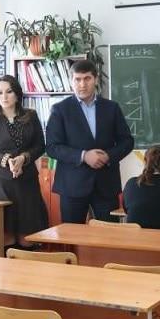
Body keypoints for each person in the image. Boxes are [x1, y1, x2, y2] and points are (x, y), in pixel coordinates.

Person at [45, 59, 134, 223]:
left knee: (109, 234)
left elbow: (127, 142)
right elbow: (52, 147)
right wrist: (84, 156)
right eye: (77, 79)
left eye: (87, 78)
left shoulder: (112, 108)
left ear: (96, 79)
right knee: (72, 235)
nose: (82, 84)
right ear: (71, 81)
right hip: (72, 185)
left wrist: (108, 156)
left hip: (106, 185)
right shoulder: (60, 110)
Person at [0, 75, 48, 249]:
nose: (4, 96)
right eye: (0, 93)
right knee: (6, 237)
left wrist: (23, 158)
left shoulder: (31, 116)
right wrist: (7, 160)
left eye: (9, 92)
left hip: (27, 183)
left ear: (17, 94)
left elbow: (40, 146)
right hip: (0, 184)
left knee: (28, 238)